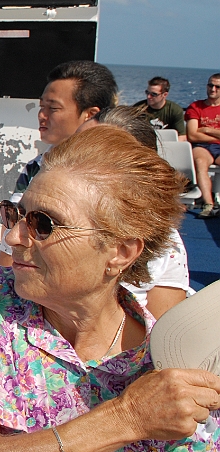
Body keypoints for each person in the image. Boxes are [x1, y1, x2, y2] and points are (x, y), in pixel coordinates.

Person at [0, 126, 220, 452]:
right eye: (16, 214)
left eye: (42, 224)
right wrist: (127, 417)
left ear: (120, 251)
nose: (12, 237)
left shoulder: (167, 372)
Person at [72, 105, 192, 319]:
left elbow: (162, 330)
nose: (73, 159)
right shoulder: (33, 222)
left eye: (95, 153)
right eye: (72, 146)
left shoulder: (165, 245)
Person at [0, 60, 118, 265]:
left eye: (53, 108)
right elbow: (11, 235)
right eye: (41, 106)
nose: (41, 115)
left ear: (90, 115)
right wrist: (2, 279)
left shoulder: (112, 175)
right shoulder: (35, 167)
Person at [185, 73, 220, 218]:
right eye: (210, 85)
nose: (213, 89)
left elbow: (198, 131)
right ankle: (208, 205)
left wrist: (206, 129)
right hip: (202, 147)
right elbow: (192, 135)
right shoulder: (195, 107)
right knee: (200, 162)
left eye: (217, 87)